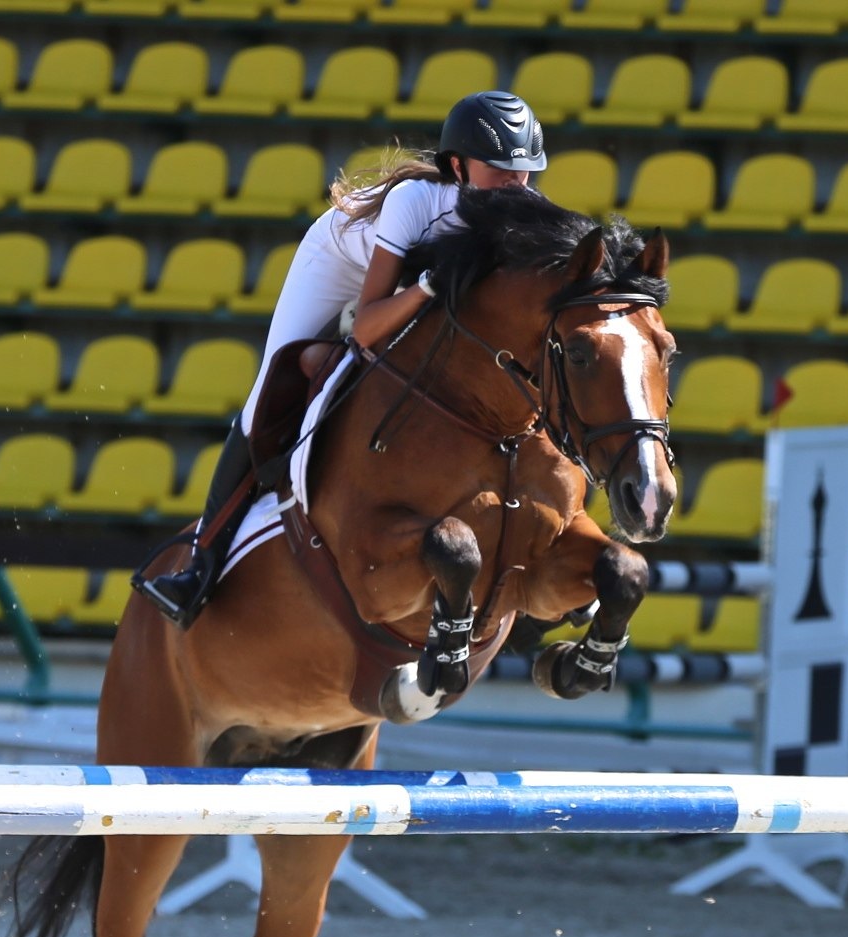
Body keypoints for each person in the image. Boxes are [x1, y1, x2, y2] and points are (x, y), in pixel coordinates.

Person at [134, 90, 547, 629]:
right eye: (499, 171)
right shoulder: (416, 202)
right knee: (267, 395)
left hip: (413, 282)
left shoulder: (526, 211)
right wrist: (426, 286)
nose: (515, 185)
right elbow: (370, 325)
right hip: (342, 271)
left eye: (525, 172)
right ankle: (200, 564)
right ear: (457, 167)